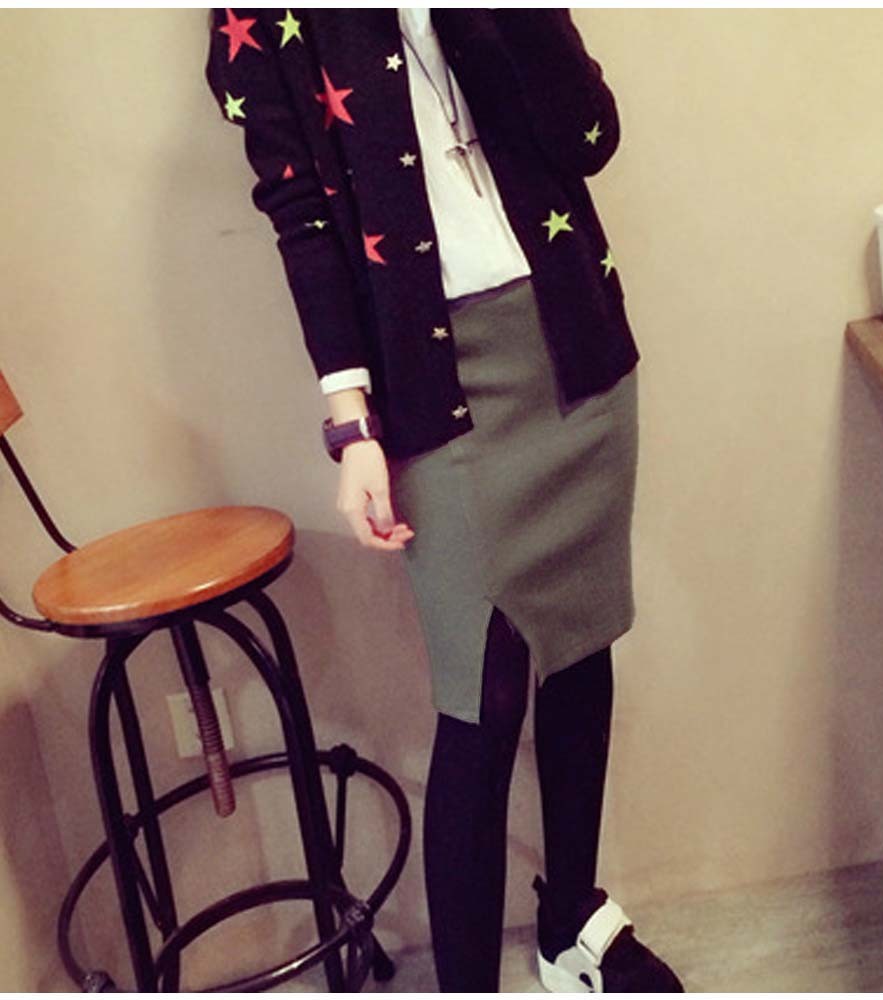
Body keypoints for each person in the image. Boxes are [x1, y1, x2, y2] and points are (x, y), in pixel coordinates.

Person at [205, 8, 683, 992]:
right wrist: (351, 422)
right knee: (482, 698)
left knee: (582, 638)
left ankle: (570, 919)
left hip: (566, 333)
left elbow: (588, 137)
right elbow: (297, 209)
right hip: (433, 378)